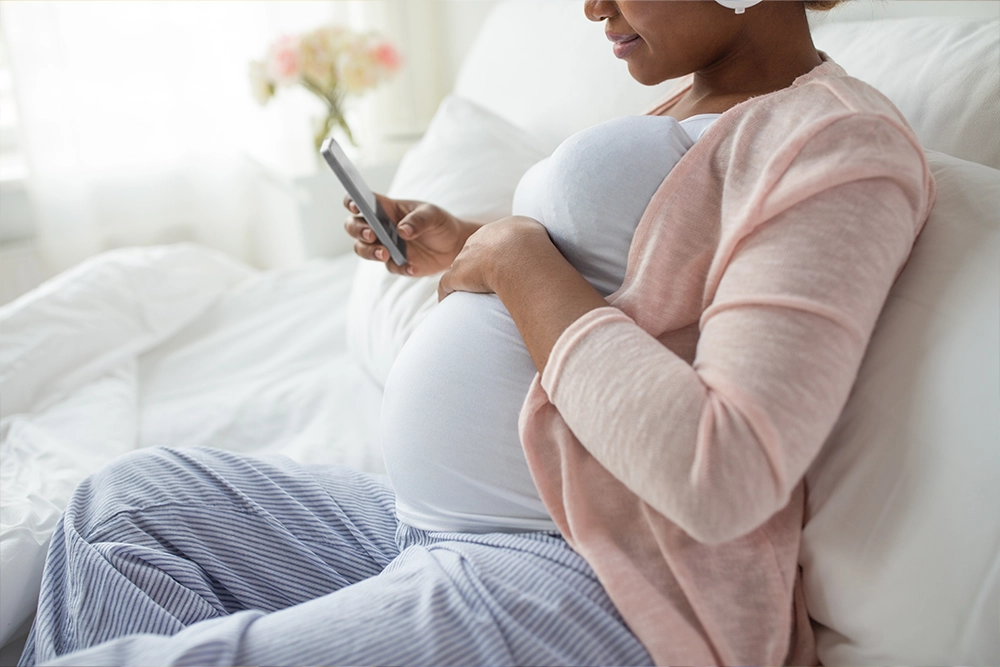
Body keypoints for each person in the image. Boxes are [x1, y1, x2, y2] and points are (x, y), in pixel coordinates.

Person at [19, 1, 935, 665]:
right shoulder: (692, 104)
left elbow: (726, 469)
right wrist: (469, 245)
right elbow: (639, 291)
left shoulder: (837, 142)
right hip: (439, 527)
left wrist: (518, 263)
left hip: (596, 578)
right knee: (123, 510)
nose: (591, 8)